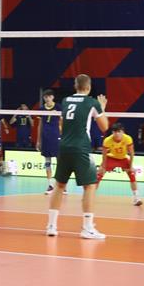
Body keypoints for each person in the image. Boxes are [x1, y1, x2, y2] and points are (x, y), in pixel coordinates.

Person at [45, 75, 109, 239]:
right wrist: (102, 108)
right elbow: (104, 127)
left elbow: (61, 124)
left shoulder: (66, 101)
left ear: (75, 86)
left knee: (59, 185)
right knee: (90, 186)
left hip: (64, 146)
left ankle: (51, 226)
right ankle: (87, 228)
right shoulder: (92, 102)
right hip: (81, 148)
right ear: (89, 87)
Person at [98, 122, 142, 206]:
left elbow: (131, 153)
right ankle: (90, 196)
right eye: (115, 132)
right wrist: (103, 166)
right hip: (111, 158)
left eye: (119, 131)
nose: (117, 134)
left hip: (123, 159)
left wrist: (131, 166)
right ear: (112, 132)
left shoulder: (128, 138)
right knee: (99, 175)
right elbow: (104, 154)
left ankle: (136, 198)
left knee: (132, 175)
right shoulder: (107, 140)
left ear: (123, 132)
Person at [37, 90, 61, 194]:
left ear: (52, 97)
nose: (47, 99)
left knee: (60, 161)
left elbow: (62, 122)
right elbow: (40, 125)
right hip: (45, 137)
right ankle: (50, 185)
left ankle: (61, 184)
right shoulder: (41, 109)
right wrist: (38, 140)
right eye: (45, 97)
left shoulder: (59, 107)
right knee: (47, 162)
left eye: (49, 97)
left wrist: (63, 135)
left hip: (56, 137)